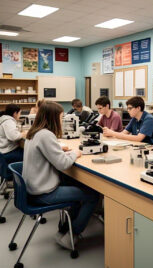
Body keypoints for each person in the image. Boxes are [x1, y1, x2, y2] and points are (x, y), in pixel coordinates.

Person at [22, 101, 99, 250]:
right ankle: (73, 234)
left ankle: (63, 232)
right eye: (61, 117)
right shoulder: (46, 135)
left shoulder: (35, 132)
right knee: (93, 195)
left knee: (76, 196)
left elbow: (51, 154)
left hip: (33, 187)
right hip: (43, 192)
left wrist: (64, 152)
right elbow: (63, 164)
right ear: (52, 117)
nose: (62, 121)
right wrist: (75, 153)